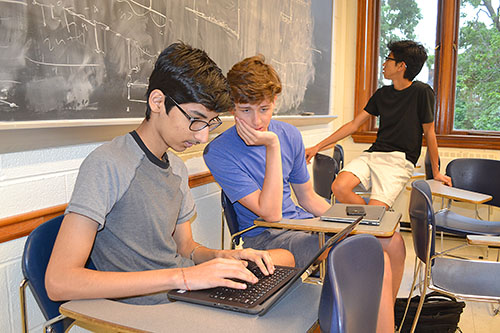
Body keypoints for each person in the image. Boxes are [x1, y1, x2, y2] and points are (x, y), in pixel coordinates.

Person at [45, 42, 294, 306]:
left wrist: (222, 258)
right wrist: (184, 278)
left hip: (184, 295)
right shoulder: (107, 164)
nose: (202, 136)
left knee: (282, 270)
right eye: (196, 119)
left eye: (209, 123)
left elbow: (186, 248)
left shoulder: (176, 166)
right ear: (157, 102)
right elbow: (59, 282)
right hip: (150, 309)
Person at [203, 54, 398, 332]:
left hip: (301, 227)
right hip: (264, 236)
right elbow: (270, 214)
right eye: (245, 110)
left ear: (274, 103)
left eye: (264, 108)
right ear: (231, 108)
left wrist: (350, 222)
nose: (257, 120)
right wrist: (271, 145)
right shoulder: (219, 151)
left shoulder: (290, 134)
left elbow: (307, 199)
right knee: (371, 259)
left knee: (387, 242)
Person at [305, 40, 452, 209]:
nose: (384, 64)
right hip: (373, 154)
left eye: (388, 59)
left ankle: (373, 220)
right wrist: (317, 146)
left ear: (401, 66)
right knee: (339, 187)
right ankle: (370, 220)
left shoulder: (422, 92)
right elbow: (354, 125)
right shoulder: (382, 93)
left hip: (399, 160)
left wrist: (436, 172)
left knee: (376, 210)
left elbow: (430, 133)